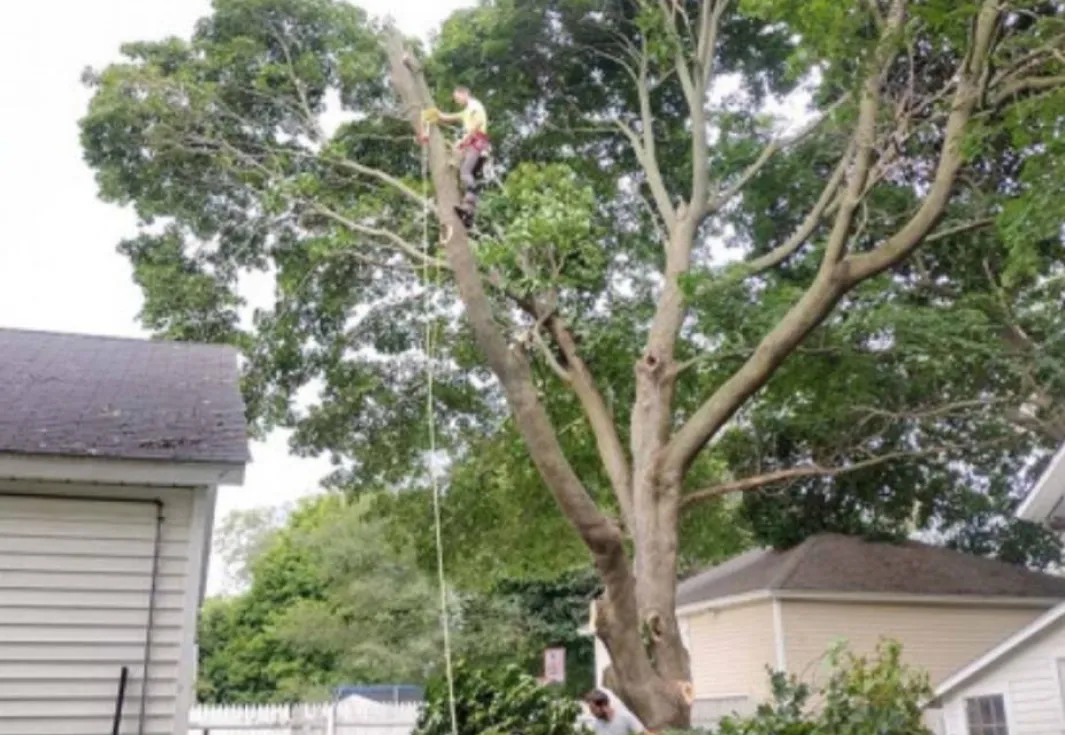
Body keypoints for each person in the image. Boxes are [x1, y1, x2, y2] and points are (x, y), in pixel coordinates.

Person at [430, 86, 490, 228]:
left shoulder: (474, 105)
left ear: (465, 94)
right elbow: (447, 117)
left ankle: (469, 205)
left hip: (477, 143)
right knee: (466, 175)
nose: (457, 101)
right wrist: (435, 114)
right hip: (474, 144)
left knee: (465, 172)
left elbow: (477, 124)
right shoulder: (466, 111)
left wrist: (462, 140)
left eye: (457, 98)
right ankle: (468, 215)